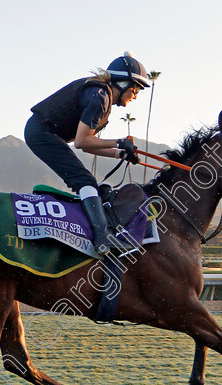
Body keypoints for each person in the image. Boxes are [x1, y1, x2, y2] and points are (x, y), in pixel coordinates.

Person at [25, 51, 149, 255]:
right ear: (124, 84)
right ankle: (102, 237)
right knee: (85, 181)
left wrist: (120, 153)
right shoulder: (100, 97)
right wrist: (120, 142)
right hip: (41, 133)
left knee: (87, 181)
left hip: (41, 132)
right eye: (135, 90)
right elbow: (82, 141)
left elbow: (87, 144)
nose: (135, 96)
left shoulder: (101, 96)